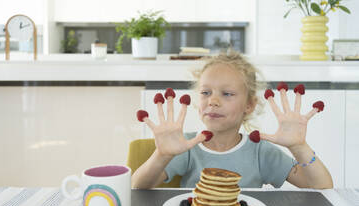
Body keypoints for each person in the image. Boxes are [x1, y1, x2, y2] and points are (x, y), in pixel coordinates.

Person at [132, 52, 333, 189]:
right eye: (205, 92)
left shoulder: (260, 151)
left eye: (227, 93)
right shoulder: (186, 147)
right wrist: (161, 155)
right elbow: (138, 185)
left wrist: (299, 146)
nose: (213, 101)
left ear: (249, 105)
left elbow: (322, 187)